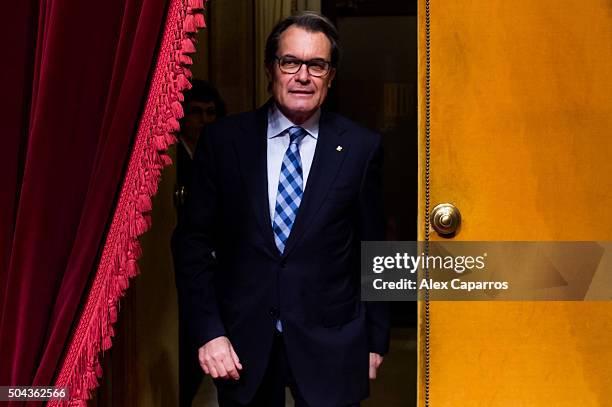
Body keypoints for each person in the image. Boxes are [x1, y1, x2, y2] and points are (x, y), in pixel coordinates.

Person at [172, 12, 390, 407]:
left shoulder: (361, 147)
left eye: (317, 65)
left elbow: (376, 247)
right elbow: (192, 243)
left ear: (331, 75)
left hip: (333, 342)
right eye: (290, 62)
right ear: (270, 68)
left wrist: (376, 339)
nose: (302, 76)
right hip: (241, 343)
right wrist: (208, 331)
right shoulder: (224, 142)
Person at [174, 80, 226, 407]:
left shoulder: (216, 155)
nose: (204, 120)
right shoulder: (175, 156)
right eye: (196, 113)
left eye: (210, 113)